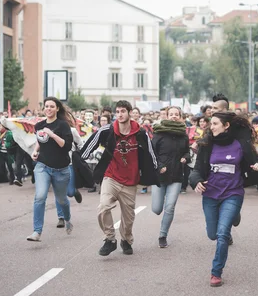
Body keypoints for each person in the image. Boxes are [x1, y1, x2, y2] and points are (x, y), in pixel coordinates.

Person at [189, 112, 258, 287]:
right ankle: (234, 216)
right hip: (210, 195)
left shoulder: (240, 145)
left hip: (233, 193)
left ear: (226, 126)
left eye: (216, 123)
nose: (212, 127)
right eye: (211, 124)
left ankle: (216, 273)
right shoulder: (206, 144)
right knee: (212, 234)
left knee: (222, 234)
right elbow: (195, 171)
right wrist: (195, 182)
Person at [79, 100, 159, 256]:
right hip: (111, 177)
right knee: (103, 207)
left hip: (130, 181)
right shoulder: (107, 130)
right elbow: (90, 145)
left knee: (128, 219)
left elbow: (151, 154)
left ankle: (126, 240)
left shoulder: (140, 133)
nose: (120, 114)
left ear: (130, 113)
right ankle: (110, 239)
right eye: (118, 111)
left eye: (123, 111)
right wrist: (80, 159)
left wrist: (156, 171)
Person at [26, 97, 75, 241]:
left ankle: (67, 219)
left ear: (57, 109)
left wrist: (52, 134)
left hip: (61, 169)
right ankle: (37, 232)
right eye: (46, 106)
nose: (48, 109)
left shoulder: (63, 126)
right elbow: (41, 141)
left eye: (52, 106)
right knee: (40, 196)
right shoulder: (39, 125)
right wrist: (35, 151)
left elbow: (66, 146)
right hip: (43, 166)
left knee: (61, 200)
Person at [151, 106, 190, 248]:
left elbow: (187, 152)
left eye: (176, 114)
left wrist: (185, 158)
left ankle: (163, 235)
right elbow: (152, 153)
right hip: (160, 176)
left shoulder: (183, 135)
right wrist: (160, 165)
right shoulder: (159, 133)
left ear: (180, 117)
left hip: (176, 175)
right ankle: (157, 209)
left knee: (170, 207)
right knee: (156, 209)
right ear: (166, 116)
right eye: (171, 114)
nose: (174, 116)